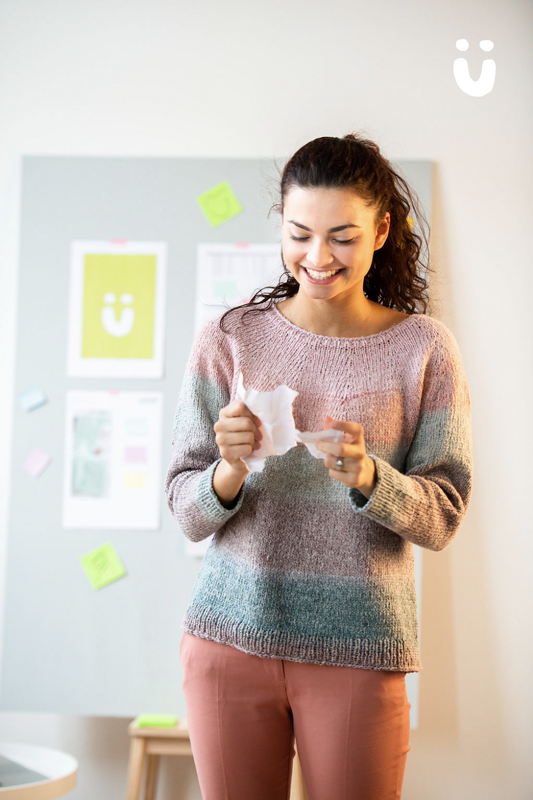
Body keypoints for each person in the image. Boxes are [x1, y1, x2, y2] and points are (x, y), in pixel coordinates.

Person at [165, 133, 473, 800]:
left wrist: (370, 478)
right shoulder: (229, 338)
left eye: (341, 236)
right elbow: (185, 510)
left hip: (357, 647)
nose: (317, 256)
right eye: (300, 233)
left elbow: (443, 513)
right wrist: (229, 468)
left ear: (382, 230)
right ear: (281, 224)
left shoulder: (422, 350)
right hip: (229, 640)